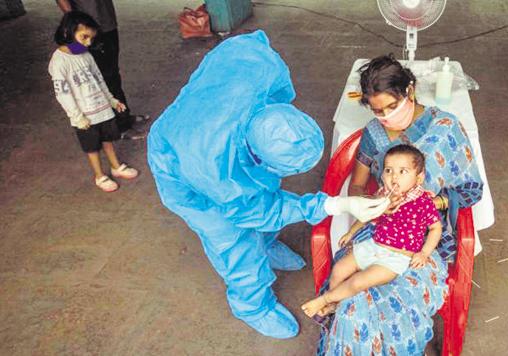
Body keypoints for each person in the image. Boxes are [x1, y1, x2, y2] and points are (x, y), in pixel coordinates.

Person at [147, 30, 389, 339]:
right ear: (256, 157)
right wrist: (336, 204)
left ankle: (267, 243)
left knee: (266, 192)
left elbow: (249, 41)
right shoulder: (214, 172)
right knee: (234, 239)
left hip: (212, 121)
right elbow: (254, 211)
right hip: (178, 161)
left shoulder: (261, 70)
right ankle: (252, 304)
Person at [316, 55, 484, 355]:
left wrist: (434, 201)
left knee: (395, 306)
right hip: (378, 231)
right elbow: (357, 183)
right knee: (352, 301)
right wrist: (374, 204)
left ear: (409, 90)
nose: (385, 116)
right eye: (376, 110)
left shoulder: (445, 128)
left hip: (424, 243)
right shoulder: (374, 134)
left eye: (392, 107)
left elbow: (471, 190)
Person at [301, 144, 442, 318]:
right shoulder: (383, 194)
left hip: (396, 258)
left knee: (358, 281)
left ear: (419, 178)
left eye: (402, 171)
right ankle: (335, 305)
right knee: (339, 268)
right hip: (373, 245)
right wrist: (351, 232)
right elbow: (367, 214)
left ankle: (325, 300)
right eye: (389, 170)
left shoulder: (423, 202)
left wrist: (424, 253)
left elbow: (436, 227)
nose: (394, 176)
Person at [49, 11, 139, 192]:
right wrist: (77, 116)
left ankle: (116, 167)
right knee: (92, 147)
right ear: (67, 32)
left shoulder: (86, 55)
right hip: (85, 116)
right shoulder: (59, 62)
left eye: (91, 38)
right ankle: (100, 176)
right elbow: (63, 94)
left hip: (102, 109)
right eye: (84, 37)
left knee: (108, 140)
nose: (88, 43)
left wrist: (112, 100)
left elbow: (99, 80)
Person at [56, 0, 149, 140]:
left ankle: (123, 115)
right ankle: (119, 126)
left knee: (113, 73)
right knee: (103, 77)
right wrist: (74, 23)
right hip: (86, 29)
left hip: (107, 24)